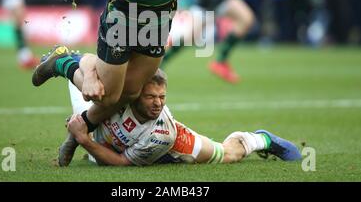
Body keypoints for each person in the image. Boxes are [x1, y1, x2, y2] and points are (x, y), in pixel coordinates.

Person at [34, 0, 292, 166]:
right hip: (121, 21)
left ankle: (77, 131)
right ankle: (62, 62)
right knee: (107, 95)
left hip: (156, 27)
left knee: (131, 92)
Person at [64, 52, 302, 166]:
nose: (158, 103)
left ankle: (261, 140)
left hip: (170, 147)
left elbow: (122, 164)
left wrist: (84, 140)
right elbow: (89, 61)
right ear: (135, 95)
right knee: (90, 86)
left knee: (227, 154)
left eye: (162, 97)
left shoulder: (163, 133)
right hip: (118, 134)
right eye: (150, 97)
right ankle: (60, 62)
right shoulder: (123, 91)